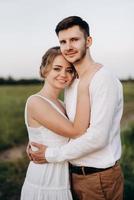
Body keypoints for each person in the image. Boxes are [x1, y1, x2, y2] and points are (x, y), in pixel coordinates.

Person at [29, 16, 124, 200]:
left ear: (88, 41)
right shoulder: (72, 82)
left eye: (74, 39)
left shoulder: (102, 78)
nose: (68, 46)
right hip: (72, 175)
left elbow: (98, 138)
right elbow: (67, 124)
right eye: (63, 41)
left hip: (98, 177)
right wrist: (37, 140)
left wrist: (50, 154)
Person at [21, 46, 96, 200]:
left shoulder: (62, 103)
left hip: (62, 181)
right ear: (44, 70)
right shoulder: (36, 101)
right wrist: (84, 87)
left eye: (69, 70)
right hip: (45, 182)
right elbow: (77, 131)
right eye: (57, 68)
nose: (64, 74)